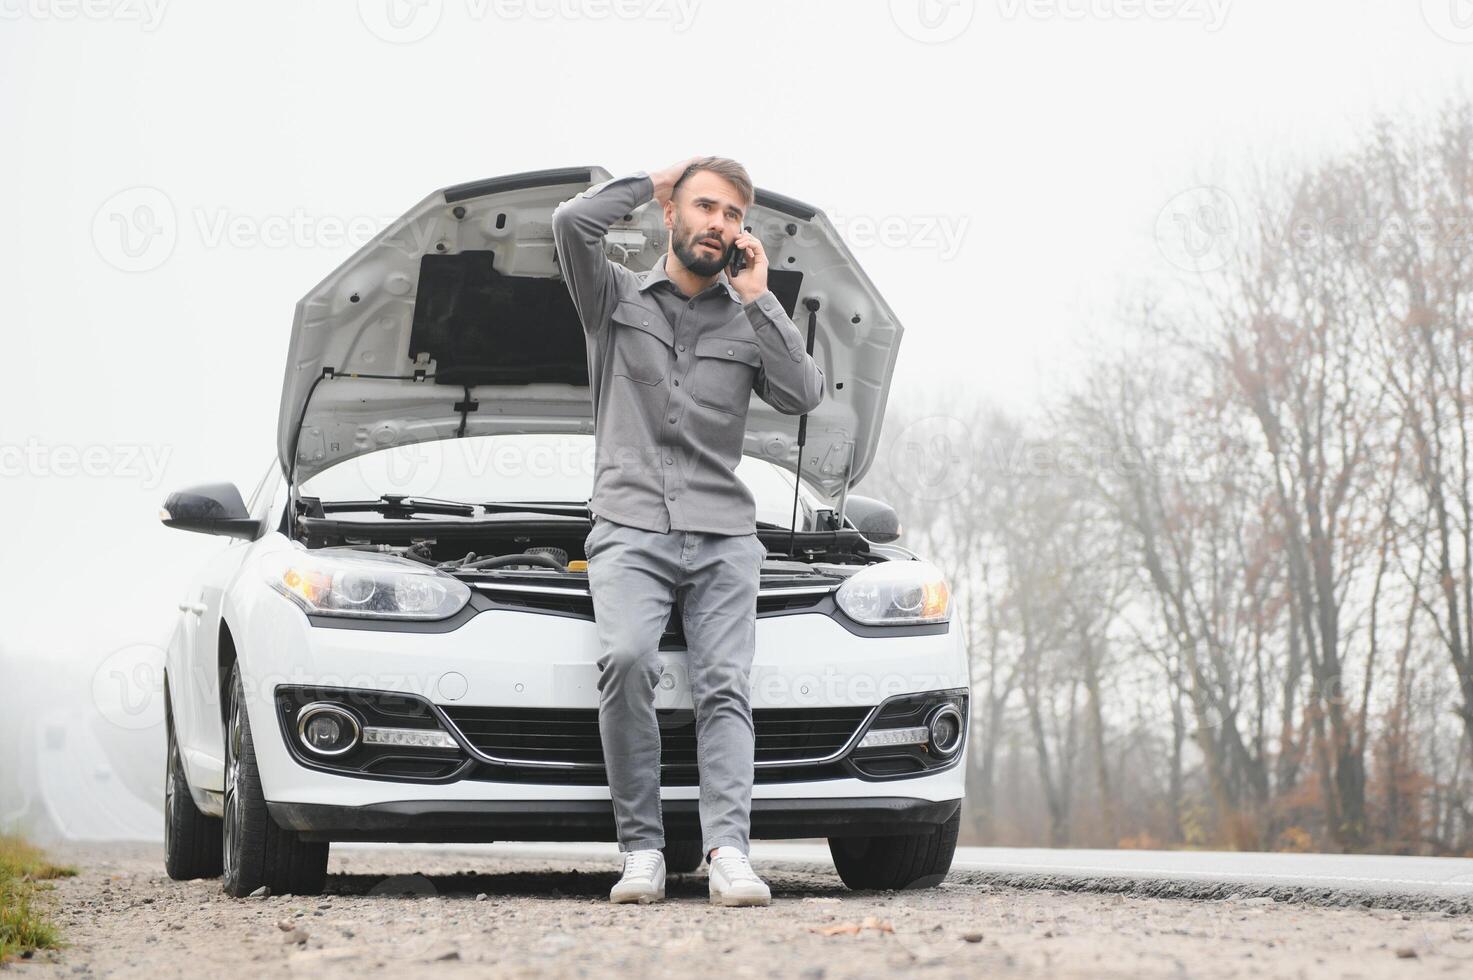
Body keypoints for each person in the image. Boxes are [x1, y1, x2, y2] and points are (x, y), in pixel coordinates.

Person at [550, 157, 825, 906]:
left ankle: (729, 851)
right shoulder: (612, 298)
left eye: (733, 215)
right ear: (673, 214)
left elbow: (802, 393)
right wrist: (651, 177)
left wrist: (762, 298)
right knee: (629, 661)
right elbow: (570, 223)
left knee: (724, 687)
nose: (718, 224)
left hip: (723, 532)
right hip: (629, 524)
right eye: (705, 207)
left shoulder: (747, 315)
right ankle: (641, 849)